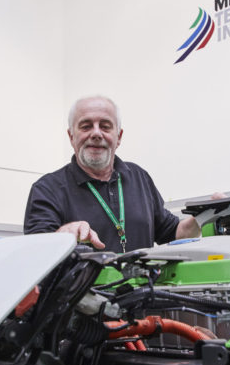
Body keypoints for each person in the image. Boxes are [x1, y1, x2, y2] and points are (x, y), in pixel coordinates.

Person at [24, 95, 201, 252]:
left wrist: (204, 217)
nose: (96, 133)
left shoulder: (140, 177)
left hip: (142, 289)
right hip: (84, 291)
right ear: (71, 136)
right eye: (86, 126)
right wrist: (63, 235)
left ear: (119, 136)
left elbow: (172, 233)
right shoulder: (47, 189)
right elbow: (36, 252)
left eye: (105, 126)